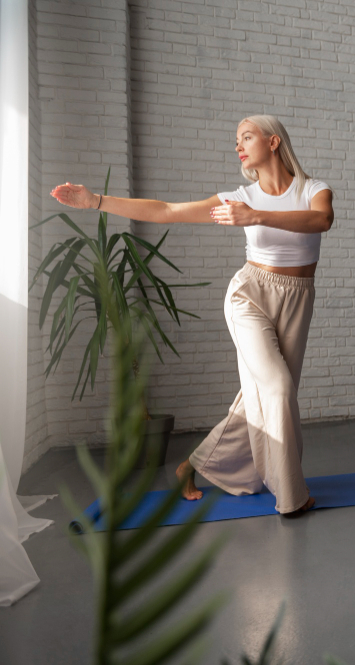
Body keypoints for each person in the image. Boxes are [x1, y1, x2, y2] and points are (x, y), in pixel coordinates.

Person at [50, 115, 334, 516]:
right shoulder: (239, 196)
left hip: (298, 298)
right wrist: (96, 201)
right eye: (235, 140)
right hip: (249, 296)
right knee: (278, 389)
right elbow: (168, 210)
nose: (238, 145)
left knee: (257, 398)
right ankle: (292, 497)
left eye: (246, 137)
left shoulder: (313, 189)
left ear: (273, 142)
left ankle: (191, 465)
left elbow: (322, 220)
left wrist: (255, 216)